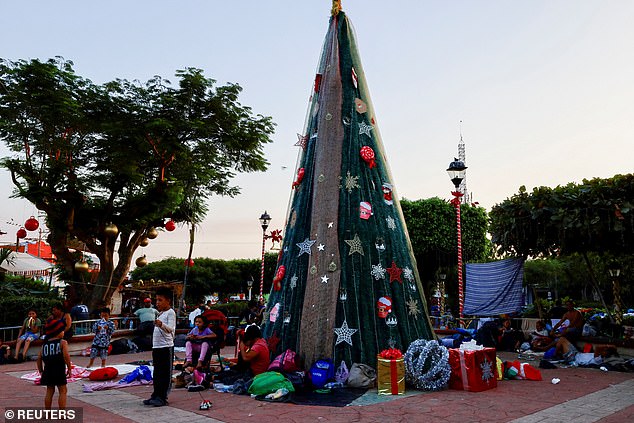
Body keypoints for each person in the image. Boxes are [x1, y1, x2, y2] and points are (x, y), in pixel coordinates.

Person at [143, 288, 175, 407]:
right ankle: (155, 394)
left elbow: (171, 329)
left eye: (160, 300)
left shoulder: (171, 313)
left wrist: (161, 325)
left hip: (166, 347)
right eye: (157, 300)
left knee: (165, 373)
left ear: (168, 301)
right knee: (157, 372)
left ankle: (162, 397)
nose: (158, 303)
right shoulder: (160, 313)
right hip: (157, 347)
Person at [37, 318, 72, 410]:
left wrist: (41, 370)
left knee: (49, 391)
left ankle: (48, 413)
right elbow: (66, 356)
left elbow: (39, 358)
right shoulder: (63, 342)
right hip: (59, 369)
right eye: (62, 330)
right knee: (63, 391)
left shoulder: (44, 345)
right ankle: (62, 413)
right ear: (58, 332)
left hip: (48, 370)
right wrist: (69, 368)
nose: (63, 333)